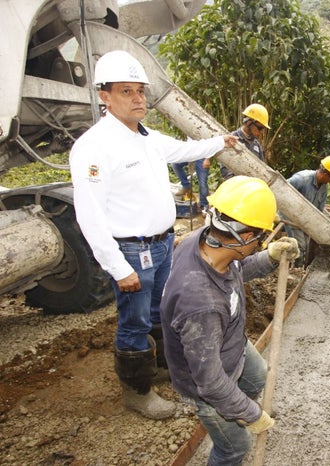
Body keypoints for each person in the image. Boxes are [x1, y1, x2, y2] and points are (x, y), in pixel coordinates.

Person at [69, 50, 239, 420]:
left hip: (162, 245)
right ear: (104, 96)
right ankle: (137, 392)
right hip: (131, 251)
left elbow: (187, 149)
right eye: (126, 91)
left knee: (160, 310)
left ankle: (159, 366)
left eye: (140, 91)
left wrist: (220, 142)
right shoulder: (94, 147)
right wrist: (118, 267)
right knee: (134, 322)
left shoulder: (147, 137)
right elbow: (90, 214)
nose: (137, 98)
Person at [160, 176, 299, 466]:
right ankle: (227, 423)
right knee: (236, 446)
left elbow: (237, 268)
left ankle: (232, 410)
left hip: (228, 344)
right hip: (206, 382)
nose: (262, 241)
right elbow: (211, 384)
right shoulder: (201, 304)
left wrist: (269, 257)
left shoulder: (206, 240)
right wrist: (251, 414)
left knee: (257, 375)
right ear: (245, 237)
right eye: (261, 237)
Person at [283, 155, 330, 267]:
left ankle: (300, 268)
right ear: (326, 174)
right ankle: (294, 270)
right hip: (291, 216)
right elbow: (282, 190)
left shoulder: (324, 187)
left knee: (307, 246)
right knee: (300, 247)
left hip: (306, 220)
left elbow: (319, 210)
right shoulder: (302, 179)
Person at [220, 103, 270, 180]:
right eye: (260, 128)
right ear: (249, 123)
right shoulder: (231, 139)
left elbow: (261, 169)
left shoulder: (256, 145)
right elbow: (225, 170)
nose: (261, 132)